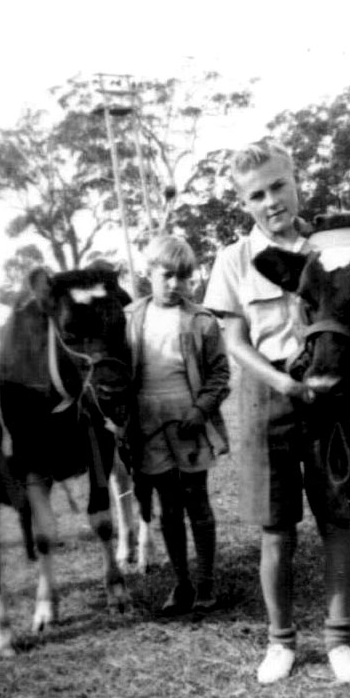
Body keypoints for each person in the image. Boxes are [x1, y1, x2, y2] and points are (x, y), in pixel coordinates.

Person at [203, 139, 350, 684]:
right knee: (276, 530)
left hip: (329, 392)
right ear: (244, 203)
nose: (271, 201)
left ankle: (340, 641)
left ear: (295, 181)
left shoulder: (331, 246)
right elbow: (235, 341)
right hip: (268, 398)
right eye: (257, 195)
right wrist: (283, 382)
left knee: (337, 520)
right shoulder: (233, 260)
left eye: (279, 186)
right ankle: (280, 642)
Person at [126, 235, 230, 615]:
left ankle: (206, 583)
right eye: (166, 275)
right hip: (147, 422)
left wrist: (200, 410)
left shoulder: (202, 321)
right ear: (149, 273)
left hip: (188, 419)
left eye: (183, 278)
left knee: (196, 501)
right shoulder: (130, 318)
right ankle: (181, 583)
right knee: (168, 507)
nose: (174, 285)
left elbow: (220, 374)